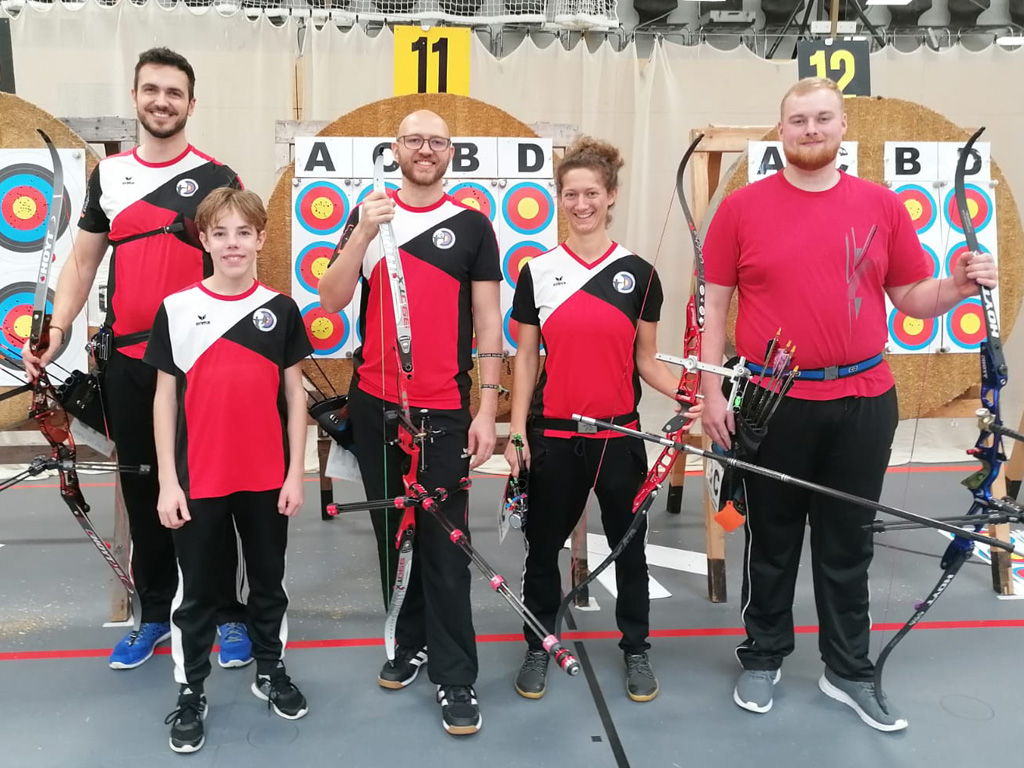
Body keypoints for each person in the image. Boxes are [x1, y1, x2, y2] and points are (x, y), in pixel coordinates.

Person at [700, 77, 998, 732]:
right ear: (781, 131)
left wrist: (956, 284)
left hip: (863, 398)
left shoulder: (881, 205)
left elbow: (913, 298)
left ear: (841, 129)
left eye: (823, 119)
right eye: (798, 120)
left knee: (846, 543)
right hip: (771, 403)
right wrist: (712, 389)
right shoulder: (741, 209)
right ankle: (764, 655)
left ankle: (848, 669)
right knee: (770, 539)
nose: (810, 129)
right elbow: (714, 304)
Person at [23, 47, 252, 670]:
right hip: (126, 362)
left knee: (210, 487)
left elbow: (238, 266)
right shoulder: (112, 176)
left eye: (174, 92)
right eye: (151, 89)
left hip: (200, 362)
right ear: (136, 97)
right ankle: (153, 613)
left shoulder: (217, 177)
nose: (162, 101)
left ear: (191, 104)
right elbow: (83, 261)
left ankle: (227, 614)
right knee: (144, 485)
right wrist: (60, 326)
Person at [318, 109, 502, 735]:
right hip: (375, 406)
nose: (426, 149)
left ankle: (457, 678)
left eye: (437, 141)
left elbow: (486, 325)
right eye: (414, 140)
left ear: (451, 152)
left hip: (445, 411)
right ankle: (411, 639)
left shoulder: (473, 225)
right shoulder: (368, 215)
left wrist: (487, 406)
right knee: (393, 535)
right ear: (395, 149)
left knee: (446, 547)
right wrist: (362, 236)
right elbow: (331, 299)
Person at [504, 136, 702, 703]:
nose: (582, 203)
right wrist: (516, 429)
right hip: (555, 436)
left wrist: (687, 395)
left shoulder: (638, 273)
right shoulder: (536, 272)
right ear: (559, 199)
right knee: (541, 552)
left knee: (628, 550)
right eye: (571, 193)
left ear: (611, 196)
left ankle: (635, 649)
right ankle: (540, 643)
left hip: (619, 438)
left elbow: (645, 362)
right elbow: (526, 358)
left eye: (592, 192)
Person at [146, 187, 311, 753]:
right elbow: (164, 400)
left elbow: (296, 397)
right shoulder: (175, 309)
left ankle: (271, 667)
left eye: (245, 232)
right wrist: (169, 480)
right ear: (204, 238)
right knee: (195, 595)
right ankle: (191, 690)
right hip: (199, 478)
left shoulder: (281, 309)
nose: (233, 243)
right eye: (221, 233)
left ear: (262, 239)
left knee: (268, 584)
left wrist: (296, 474)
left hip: (267, 478)